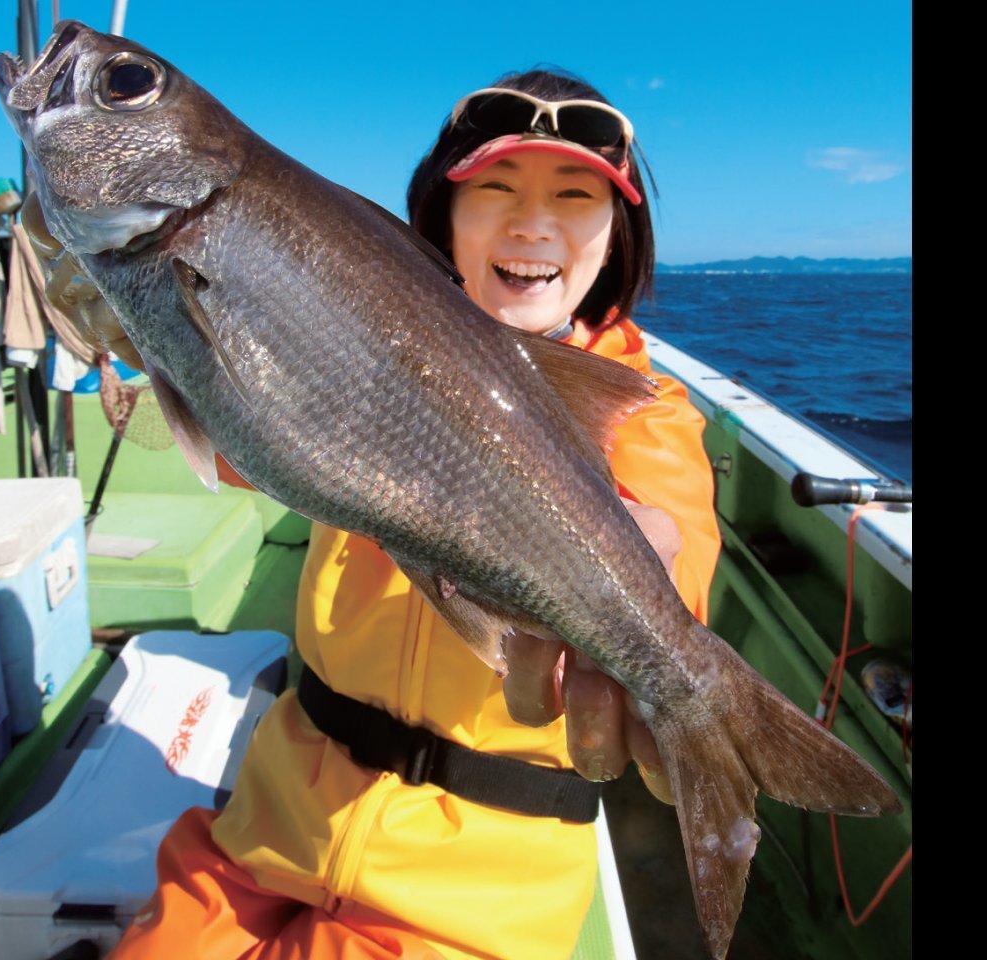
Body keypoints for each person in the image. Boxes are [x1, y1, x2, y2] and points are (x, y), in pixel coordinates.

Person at [106, 69, 721, 960]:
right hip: (266, 827)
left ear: (614, 232)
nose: (531, 223)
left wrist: (652, 583)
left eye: (576, 196)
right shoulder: (355, 331)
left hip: (478, 886)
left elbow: (674, 544)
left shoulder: (644, 409)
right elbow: (246, 443)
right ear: (443, 217)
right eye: (495, 190)